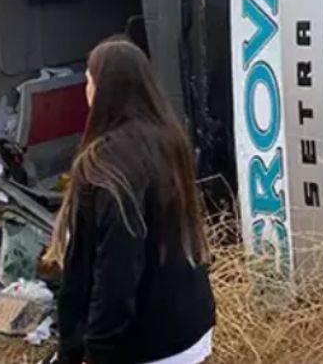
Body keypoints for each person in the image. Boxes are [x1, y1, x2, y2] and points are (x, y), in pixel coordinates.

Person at [48, 38, 215, 364]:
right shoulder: (168, 139)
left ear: (103, 89)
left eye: (89, 81)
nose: (87, 90)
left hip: (149, 343)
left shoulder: (101, 163)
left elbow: (115, 272)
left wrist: (93, 351)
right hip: (192, 325)